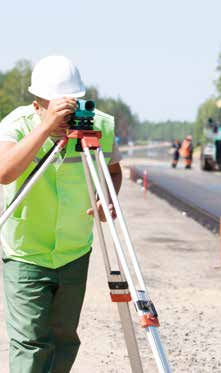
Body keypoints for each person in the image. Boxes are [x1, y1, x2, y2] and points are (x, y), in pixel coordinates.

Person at [0, 56, 123, 373]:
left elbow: (114, 170)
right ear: (37, 103)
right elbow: (4, 171)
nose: (65, 116)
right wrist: (45, 129)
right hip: (26, 251)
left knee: (64, 339)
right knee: (30, 342)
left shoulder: (99, 126)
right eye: (55, 107)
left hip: (74, 250)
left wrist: (106, 199)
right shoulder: (18, 124)